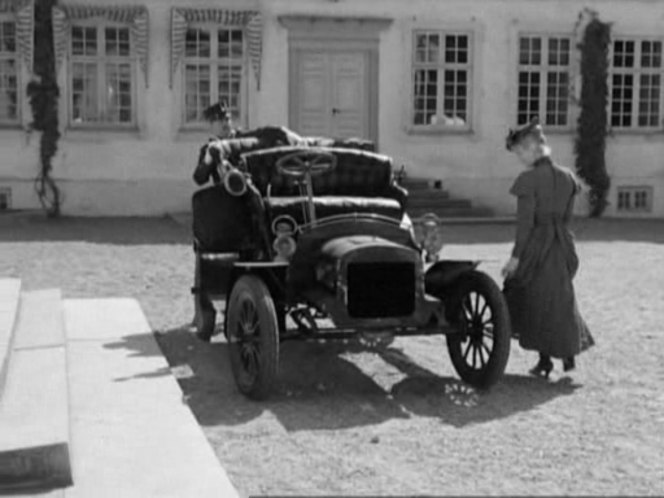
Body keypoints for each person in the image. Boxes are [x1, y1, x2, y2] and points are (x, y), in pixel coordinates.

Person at [502, 117, 594, 378]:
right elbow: (566, 218)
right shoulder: (567, 178)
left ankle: (545, 360)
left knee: (534, 300)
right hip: (562, 244)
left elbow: (524, 226)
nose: (520, 157)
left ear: (532, 149)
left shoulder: (528, 180)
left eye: (520, 152)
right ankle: (567, 354)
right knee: (562, 300)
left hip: (537, 247)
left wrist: (516, 258)